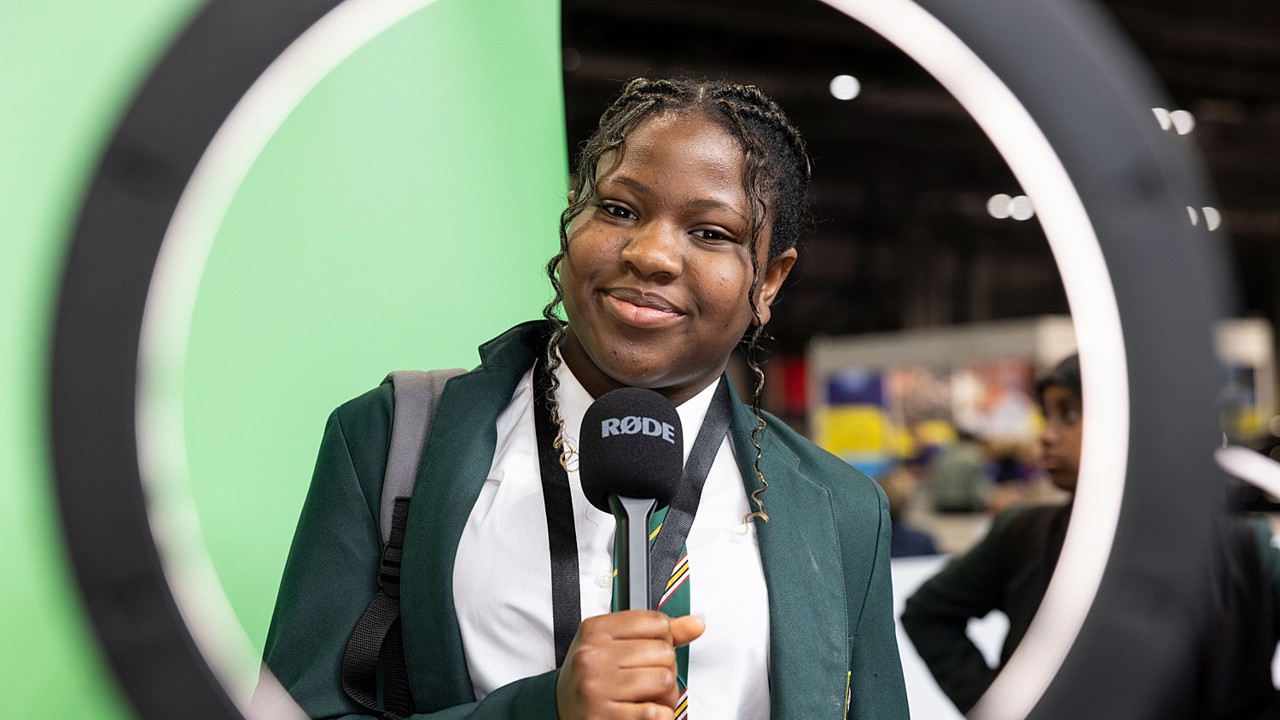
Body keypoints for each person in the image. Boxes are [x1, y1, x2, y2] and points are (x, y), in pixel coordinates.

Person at [260, 77, 909, 720]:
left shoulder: (842, 510)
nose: (651, 253)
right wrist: (540, 712)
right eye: (619, 209)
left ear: (769, 278)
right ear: (572, 213)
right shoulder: (395, 439)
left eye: (711, 233)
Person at [901, 354, 1280, 717]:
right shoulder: (1024, 533)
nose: (1047, 435)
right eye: (1045, 414)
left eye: (1069, 413)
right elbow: (927, 614)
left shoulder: (1247, 550)